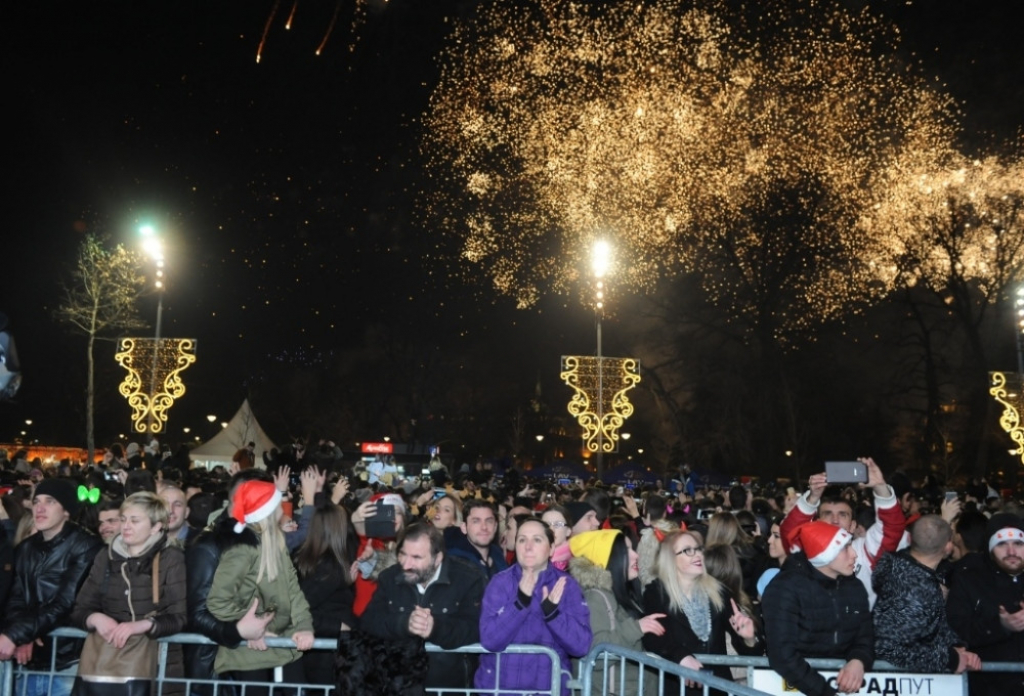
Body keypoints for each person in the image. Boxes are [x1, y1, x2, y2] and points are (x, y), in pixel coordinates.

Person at [70, 492, 187, 694]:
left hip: (158, 665)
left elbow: (180, 616)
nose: (126, 526)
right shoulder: (105, 556)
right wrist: (95, 618)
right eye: (123, 519)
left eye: (135, 520)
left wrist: (143, 625)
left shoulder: (170, 558)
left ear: (156, 526)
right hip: (105, 663)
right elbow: (79, 609)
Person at [206, 479, 315, 692]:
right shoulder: (241, 550)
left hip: (283, 645)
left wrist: (304, 627)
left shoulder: (278, 545)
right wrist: (251, 628)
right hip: (249, 652)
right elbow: (217, 600)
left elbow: (294, 592)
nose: (282, 507)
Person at [0, 478, 103, 696]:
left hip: (67, 661)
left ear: (66, 511)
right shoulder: (26, 548)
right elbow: (15, 598)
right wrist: (21, 635)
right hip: (27, 661)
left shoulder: (86, 546)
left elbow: (66, 602)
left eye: (50, 501)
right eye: (36, 501)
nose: (40, 508)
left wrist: (16, 635)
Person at [359, 522, 486, 694]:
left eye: (416, 558)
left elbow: (475, 628)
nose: (406, 565)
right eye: (402, 554)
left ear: (438, 558)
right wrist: (404, 623)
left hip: (448, 688)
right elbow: (368, 622)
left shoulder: (469, 579)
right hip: (396, 686)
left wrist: (435, 629)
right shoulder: (390, 578)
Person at [183, 471, 278, 695]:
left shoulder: (262, 541)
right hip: (216, 670)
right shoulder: (209, 545)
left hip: (253, 664)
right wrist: (239, 631)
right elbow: (196, 613)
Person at [475, 518, 592, 696]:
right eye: (522, 540)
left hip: (549, 690)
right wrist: (519, 604)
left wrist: (554, 615)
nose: (528, 546)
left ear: (551, 548)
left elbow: (581, 645)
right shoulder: (500, 583)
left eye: (537, 540)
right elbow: (490, 640)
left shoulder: (566, 586)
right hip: (501, 689)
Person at [762, 521, 874, 696]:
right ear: (825, 555)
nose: (854, 554)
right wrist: (825, 692)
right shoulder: (784, 589)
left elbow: (865, 635)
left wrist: (858, 660)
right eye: (845, 549)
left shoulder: (854, 587)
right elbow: (782, 655)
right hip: (793, 688)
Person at [642, 530, 762, 693]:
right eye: (688, 550)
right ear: (671, 559)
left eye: (698, 549)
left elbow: (749, 652)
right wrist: (682, 657)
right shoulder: (656, 593)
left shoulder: (718, 592)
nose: (697, 554)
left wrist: (749, 638)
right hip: (679, 688)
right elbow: (654, 637)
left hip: (717, 687)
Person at [779, 458, 905, 606]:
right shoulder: (808, 550)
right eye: (827, 514)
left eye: (842, 515)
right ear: (817, 522)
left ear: (853, 526)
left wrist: (880, 486)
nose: (835, 520)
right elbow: (790, 533)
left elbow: (892, 527)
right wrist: (812, 498)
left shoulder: (865, 551)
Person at [872, 515, 981, 673]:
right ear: (948, 547)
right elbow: (889, 649)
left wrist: (957, 646)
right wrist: (951, 659)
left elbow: (927, 630)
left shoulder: (905, 573)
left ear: (910, 539)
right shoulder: (913, 589)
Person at [568, 530, 666, 696]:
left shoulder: (622, 594)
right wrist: (636, 628)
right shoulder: (595, 597)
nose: (635, 555)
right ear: (608, 558)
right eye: (627, 550)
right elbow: (594, 650)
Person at [947, 512, 1024, 694]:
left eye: (1018, 544)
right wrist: (1000, 626)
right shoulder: (968, 580)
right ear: (989, 548)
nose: (1011, 552)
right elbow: (954, 631)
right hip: (989, 687)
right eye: (1002, 544)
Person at [292, 502, 358, 687]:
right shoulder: (329, 566)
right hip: (326, 653)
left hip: (322, 650)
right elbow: (299, 607)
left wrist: (345, 583)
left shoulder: (305, 556)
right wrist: (338, 626)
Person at [443, 499, 507, 579]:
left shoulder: (498, 557)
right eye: (476, 521)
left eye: (489, 521)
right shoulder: (453, 564)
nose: (484, 527)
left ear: (495, 526)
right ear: (464, 528)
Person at [541, 504, 575, 571]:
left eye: (558, 524)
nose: (551, 529)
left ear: (568, 531)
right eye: (546, 524)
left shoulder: (574, 566)